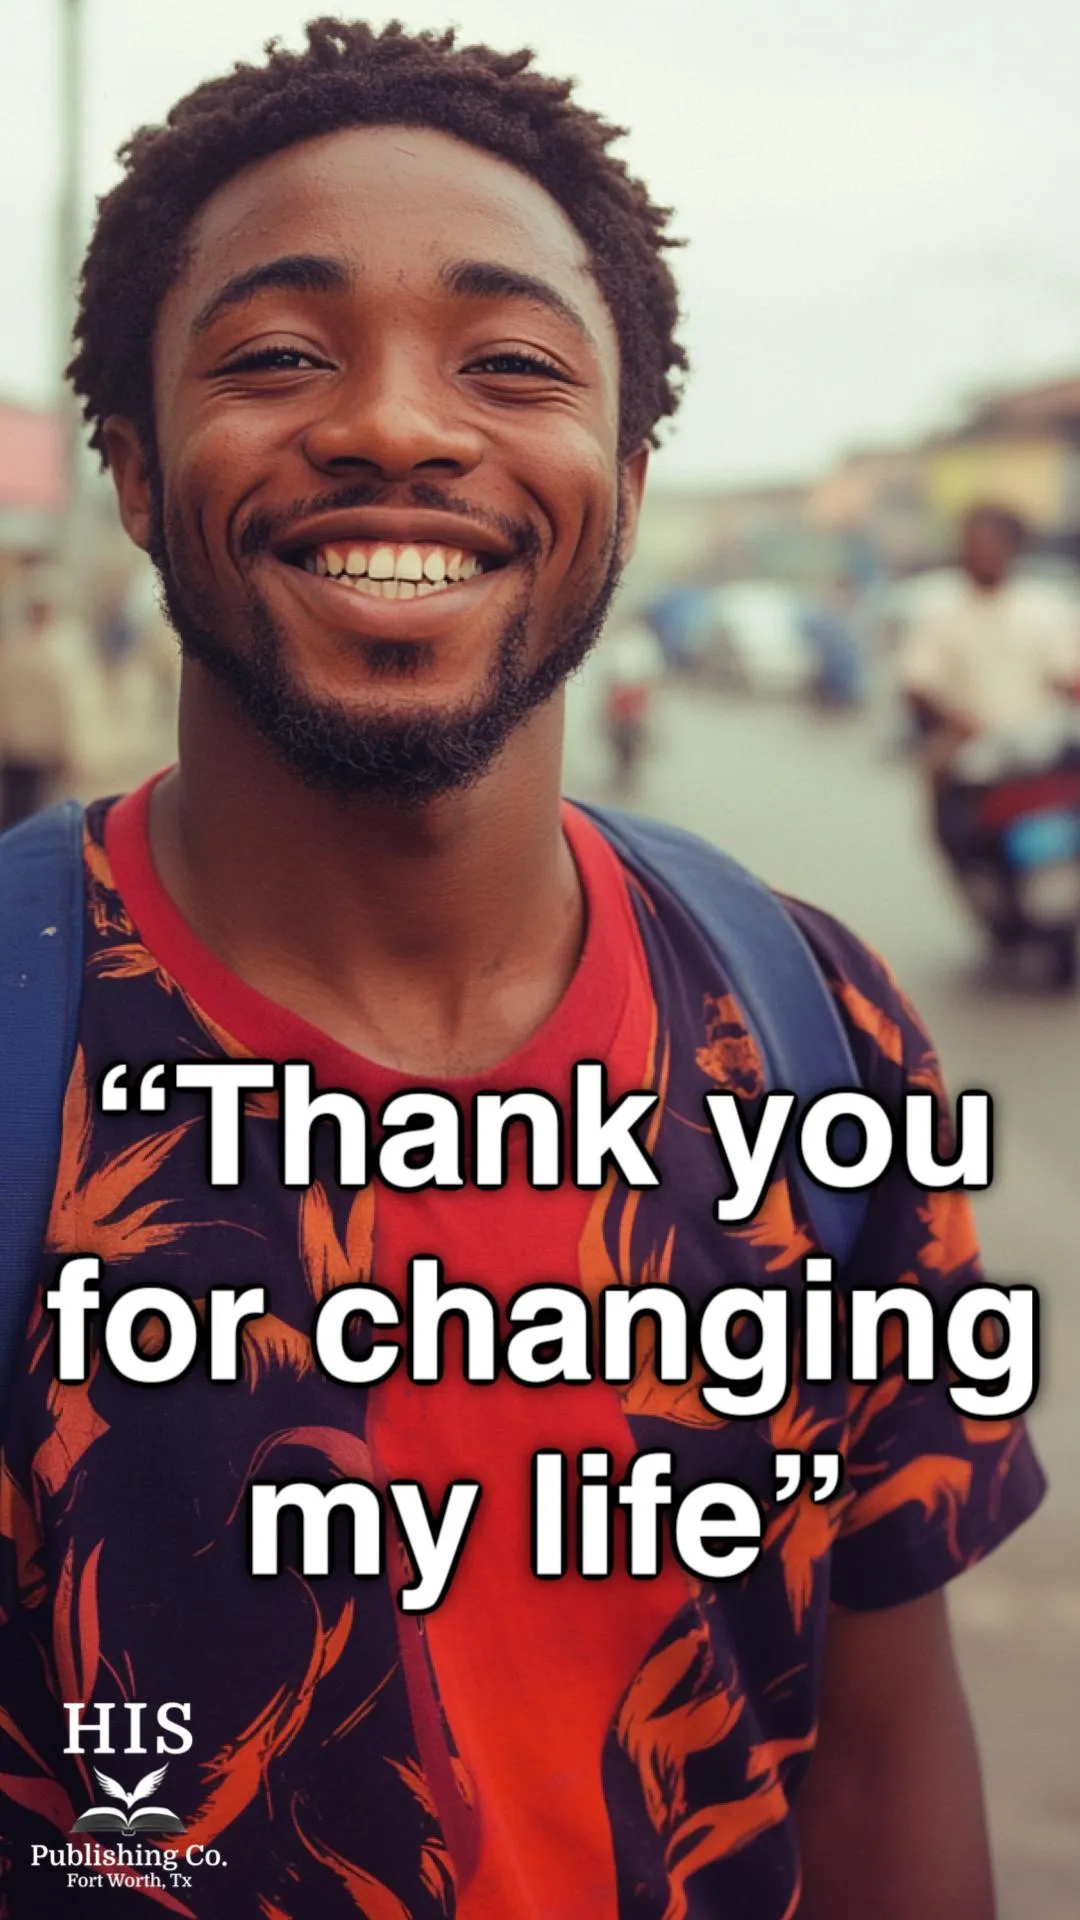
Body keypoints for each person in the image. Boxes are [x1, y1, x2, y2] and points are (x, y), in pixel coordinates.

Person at [0, 22, 1043, 1919]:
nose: (399, 426)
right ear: (136, 476)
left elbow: (884, 1748)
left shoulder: (820, 1034)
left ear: (626, 475)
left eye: (512, 365)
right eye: (279, 356)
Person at [898, 503, 1080, 768]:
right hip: (968, 749)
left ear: (1012, 547)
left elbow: (1066, 677)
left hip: (1038, 751)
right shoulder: (939, 612)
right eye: (972, 543)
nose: (980, 552)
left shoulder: (1045, 608)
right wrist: (958, 724)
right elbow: (917, 684)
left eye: (990, 543)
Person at [0, 585, 82, 828]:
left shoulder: (21, 648)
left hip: (31, 748)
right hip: (26, 748)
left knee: (25, 811)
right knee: (26, 812)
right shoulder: (28, 650)